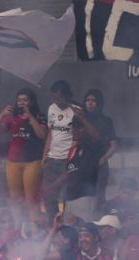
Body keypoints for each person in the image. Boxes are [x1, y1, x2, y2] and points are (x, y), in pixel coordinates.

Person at [41, 81, 99, 222]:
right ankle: (53, 224)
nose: (57, 101)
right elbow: (50, 132)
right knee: (49, 197)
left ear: (68, 95)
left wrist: (72, 152)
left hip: (67, 159)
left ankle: (66, 223)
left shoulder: (76, 110)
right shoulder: (51, 109)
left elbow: (83, 134)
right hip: (52, 158)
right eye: (54, 98)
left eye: (60, 98)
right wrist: (45, 154)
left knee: (66, 195)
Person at [0, 88, 47, 223]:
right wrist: (2, 115)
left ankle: (35, 231)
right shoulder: (12, 118)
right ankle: (18, 230)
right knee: (15, 199)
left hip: (32, 162)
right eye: (19, 100)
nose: (21, 103)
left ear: (31, 102)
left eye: (25, 100)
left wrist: (30, 117)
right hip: (13, 162)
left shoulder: (39, 116)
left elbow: (42, 135)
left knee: (31, 199)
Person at [82, 89, 118, 211]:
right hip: (82, 164)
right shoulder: (80, 119)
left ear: (99, 103)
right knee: (83, 196)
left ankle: (97, 223)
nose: (90, 103)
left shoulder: (106, 121)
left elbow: (113, 145)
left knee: (98, 197)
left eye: (93, 101)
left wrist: (104, 158)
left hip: (99, 165)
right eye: (87, 100)